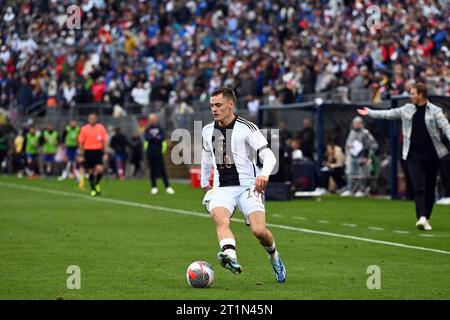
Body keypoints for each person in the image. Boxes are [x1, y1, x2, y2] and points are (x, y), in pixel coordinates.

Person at [201, 87, 286, 283]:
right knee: (220, 219)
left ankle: (274, 256)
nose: (214, 109)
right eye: (212, 105)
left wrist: (264, 175)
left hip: (249, 187)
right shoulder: (207, 131)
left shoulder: (247, 128)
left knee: (259, 231)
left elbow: (269, 156)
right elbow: (207, 157)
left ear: (231, 104)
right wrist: (206, 183)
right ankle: (230, 256)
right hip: (222, 188)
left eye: (218, 105)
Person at [358, 83, 450, 230]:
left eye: (413, 93)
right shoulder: (407, 109)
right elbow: (388, 114)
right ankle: (421, 217)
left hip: (432, 154)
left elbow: (446, 127)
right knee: (418, 186)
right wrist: (370, 112)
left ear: (421, 94)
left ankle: (426, 217)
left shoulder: (435, 111)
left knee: (430, 187)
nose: (410, 96)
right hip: (413, 154)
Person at [341, 117, 378, 197]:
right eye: (355, 123)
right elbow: (347, 145)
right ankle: (350, 189)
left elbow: (374, 145)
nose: (356, 125)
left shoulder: (365, 133)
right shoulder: (351, 133)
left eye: (358, 123)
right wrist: (349, 148)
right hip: (352, 156)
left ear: (361, 124)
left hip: (362, 157)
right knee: (351, 173)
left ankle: (361, 190)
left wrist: (368, 156)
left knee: (362, 174)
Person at [78, 113, 108, 197]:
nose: (92, 120)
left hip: (98, 151)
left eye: (93, 118)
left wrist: (105, 152)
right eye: (90, 118)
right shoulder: (84, 128)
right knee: (90, 170)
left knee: (100, 169)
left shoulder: (101, 127)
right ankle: (93, 189)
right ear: (88, 119)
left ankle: (96, 183)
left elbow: (105, 141)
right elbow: (81, 142)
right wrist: (81, 154)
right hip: (88, 151)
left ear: (96, 119)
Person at [143, 113, 175, 195]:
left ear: (156, 119)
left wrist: (154, 138)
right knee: (152, 169)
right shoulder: (147, 129)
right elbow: (147, 137)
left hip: (158, 151)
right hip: (150, 152)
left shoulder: (160, 128)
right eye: (151, 119)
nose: (152, 120)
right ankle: (154, 187)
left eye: (153, 118)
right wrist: (156, 138)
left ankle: (167, 187)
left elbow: (162, 137)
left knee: (162, 169)